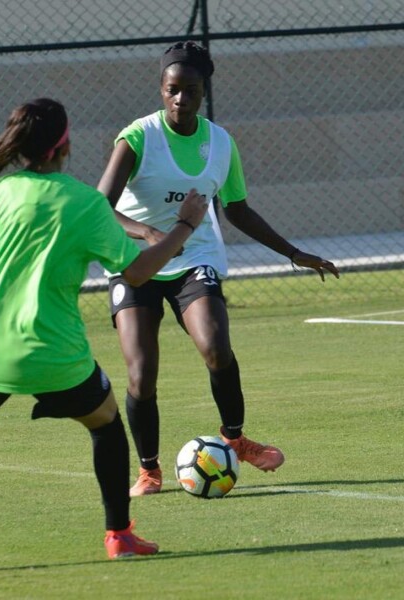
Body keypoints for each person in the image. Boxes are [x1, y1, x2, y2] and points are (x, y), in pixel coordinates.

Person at [0, 98, 208, 577]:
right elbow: (136, 274)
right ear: (64, 146)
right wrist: (185, 225)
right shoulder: (86, 203)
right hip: (56, 354)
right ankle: (119, 534)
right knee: (106, 425)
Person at [97, 42, 340, 496]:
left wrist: (293, 253)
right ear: (161, 88)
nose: (180, 99)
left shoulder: (221, 143)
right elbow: (100, 207)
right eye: (172, 90)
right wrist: (148, 233)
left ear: (203, 92)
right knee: (141, 374)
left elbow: (238, 210)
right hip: (135, 263)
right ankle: (148, 469)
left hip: (195, 256)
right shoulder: (138, 137)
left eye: (190, 91)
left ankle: (234, 440)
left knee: (215, 347)